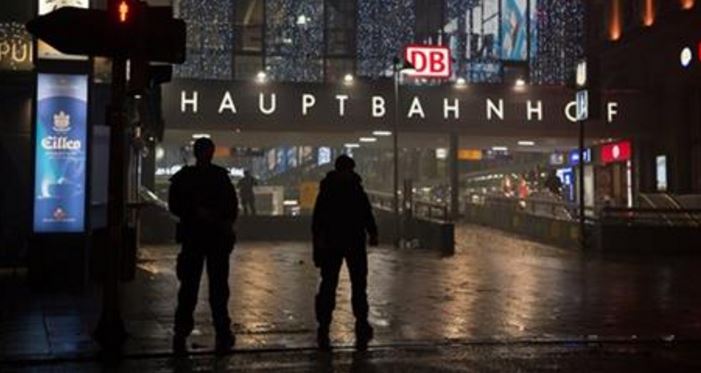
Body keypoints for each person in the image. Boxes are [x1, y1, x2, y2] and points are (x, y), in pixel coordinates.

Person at [168, 138, 239, 355]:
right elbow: (232, 208)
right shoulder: (220, 177)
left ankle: (181, 331)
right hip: (216, 238)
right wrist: (216, 218)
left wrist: (195, 213)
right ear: (212, 153)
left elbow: (174, 206)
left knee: (189, 287)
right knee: (218, 288)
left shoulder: (183, 177)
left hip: (193, 237)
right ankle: (222, 332)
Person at [312, 155, 379, 351]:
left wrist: (317, 246)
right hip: (354, 242)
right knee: (359, 284)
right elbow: (367, 213)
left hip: (332, 243)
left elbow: (317, 222)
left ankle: (324, 326)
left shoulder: (326, 190)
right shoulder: (356, 189)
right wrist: (373, 233)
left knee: (328, 284)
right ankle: (361, 323)